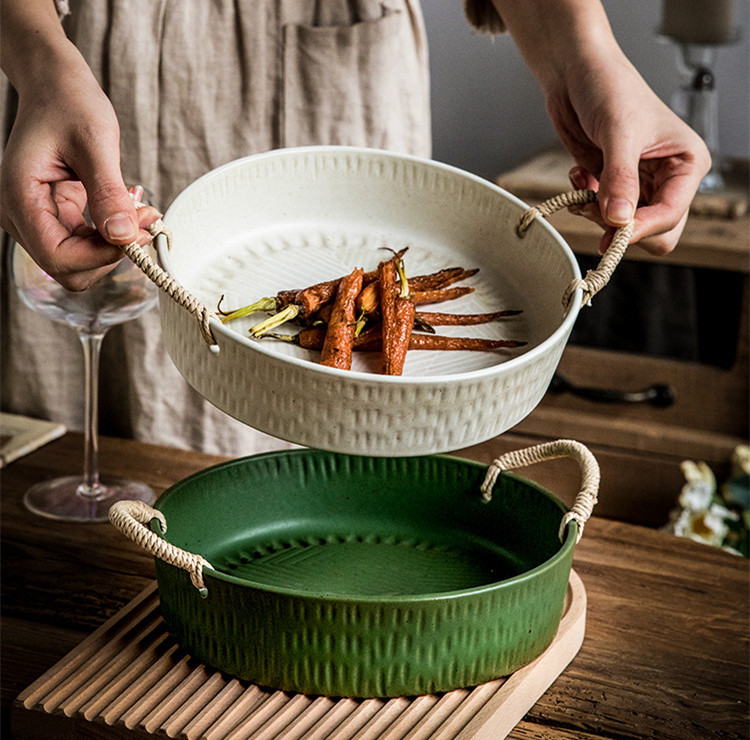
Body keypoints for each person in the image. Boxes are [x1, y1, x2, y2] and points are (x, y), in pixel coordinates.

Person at [0, 0, 710, 456]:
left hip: (335, 57)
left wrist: (584, 56)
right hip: (79, 55)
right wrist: (38, 60)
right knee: (84, 469)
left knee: (353, 441)